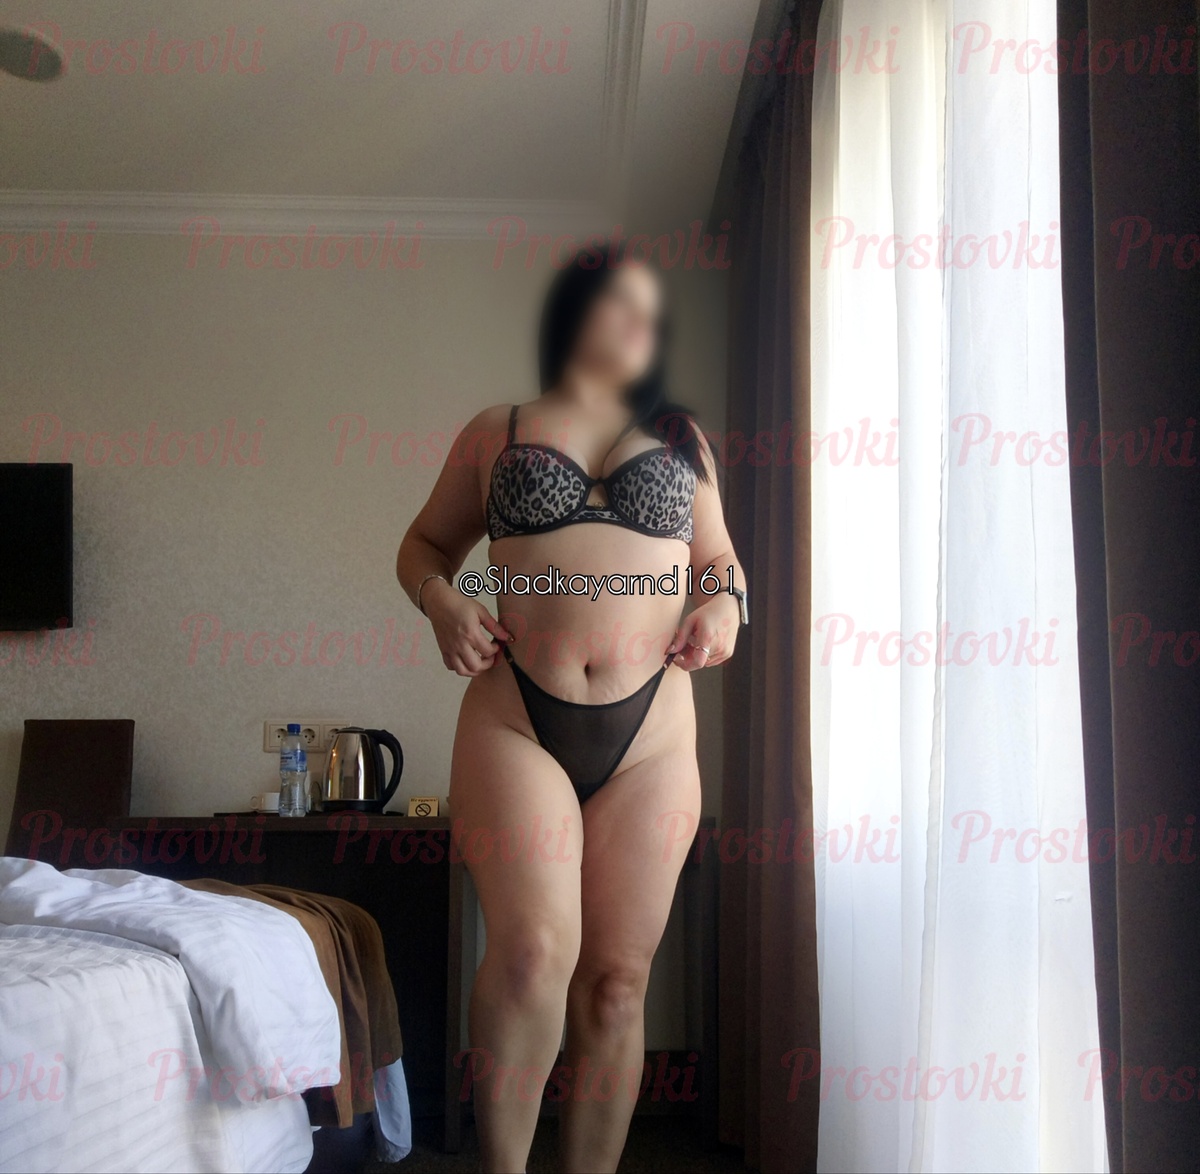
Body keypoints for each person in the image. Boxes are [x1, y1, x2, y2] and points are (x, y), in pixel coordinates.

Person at [397, 245, 747, 1172]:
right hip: (518, 720)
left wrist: (724, 607)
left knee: (618, 984)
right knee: (527, 956)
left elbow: (721, 562)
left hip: (652, 737)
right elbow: (423, 545)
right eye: (620, 303)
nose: (641, 323)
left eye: (650, 311)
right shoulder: (497, 430)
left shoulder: (683, 439)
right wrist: (443, 603)